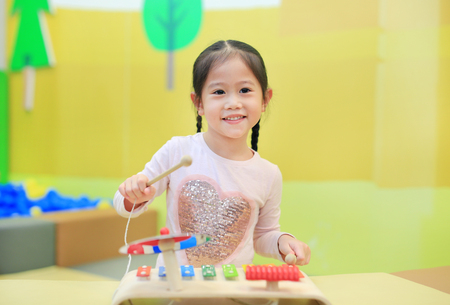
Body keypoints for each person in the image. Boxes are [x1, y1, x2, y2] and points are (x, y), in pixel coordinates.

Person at [114, 40, 311, 268]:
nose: (233, 103)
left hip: (235, 294)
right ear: (199, 103)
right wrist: (133, 194)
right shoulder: (177, 151)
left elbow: (262, 236)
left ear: (265, 99)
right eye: (219, 92)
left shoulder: (269, 174)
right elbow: (122, 204)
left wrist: (283, 241)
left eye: (245, 90)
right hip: (177, 292)